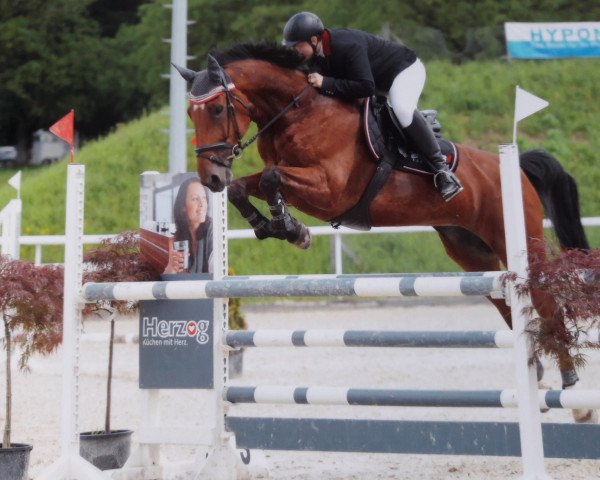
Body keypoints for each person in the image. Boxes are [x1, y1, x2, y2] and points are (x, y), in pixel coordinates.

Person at [282, 12, 462, 201]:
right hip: (380, 82)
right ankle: (422, 123)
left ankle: (442, 170)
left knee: (402, 109)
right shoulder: (317, 53)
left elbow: (366, 87)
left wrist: (326, 83)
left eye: (296, 46)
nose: (294, 51)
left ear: (313, 39)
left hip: (404, 71)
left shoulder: (346, 45)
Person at [163, 176, 213, 274]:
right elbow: (167, 280)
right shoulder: (175, 240)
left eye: (204, 198)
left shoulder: (213, 230)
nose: (202, 204)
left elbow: (215, 266)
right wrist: (171, 267)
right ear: (183, 207)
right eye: (195, 199)